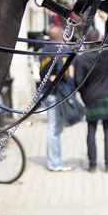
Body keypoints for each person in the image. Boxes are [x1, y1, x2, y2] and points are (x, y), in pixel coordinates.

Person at [74, 29, 108, 173]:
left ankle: (92, 165)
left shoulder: (81, 59)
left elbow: (78, 81)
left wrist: (85, 95)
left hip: (90, 97)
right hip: (106, 95)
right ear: (98, 39)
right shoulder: (105, 54)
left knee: (91, 129)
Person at [39, 27, 74, 172]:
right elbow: (66, 74)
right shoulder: (63, 51)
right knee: (54, 129)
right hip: (56, 93)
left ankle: (53, 159)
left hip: (44, 92)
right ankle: (54, 163)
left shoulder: (43, 51)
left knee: (53, 128)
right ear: (62, 36)